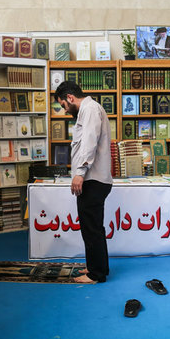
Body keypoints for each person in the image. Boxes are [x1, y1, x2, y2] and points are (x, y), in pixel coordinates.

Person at [54, 81, 113, 283]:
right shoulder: (88, 110)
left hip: (92, 178)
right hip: (93, 177)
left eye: (63, 105)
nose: (64, 110)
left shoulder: (89, 109)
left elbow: (89, 142)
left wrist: (79, 172)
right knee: (92, 226)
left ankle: (96, 274)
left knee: (92, 227)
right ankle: (96, 267)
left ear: (70, 98)